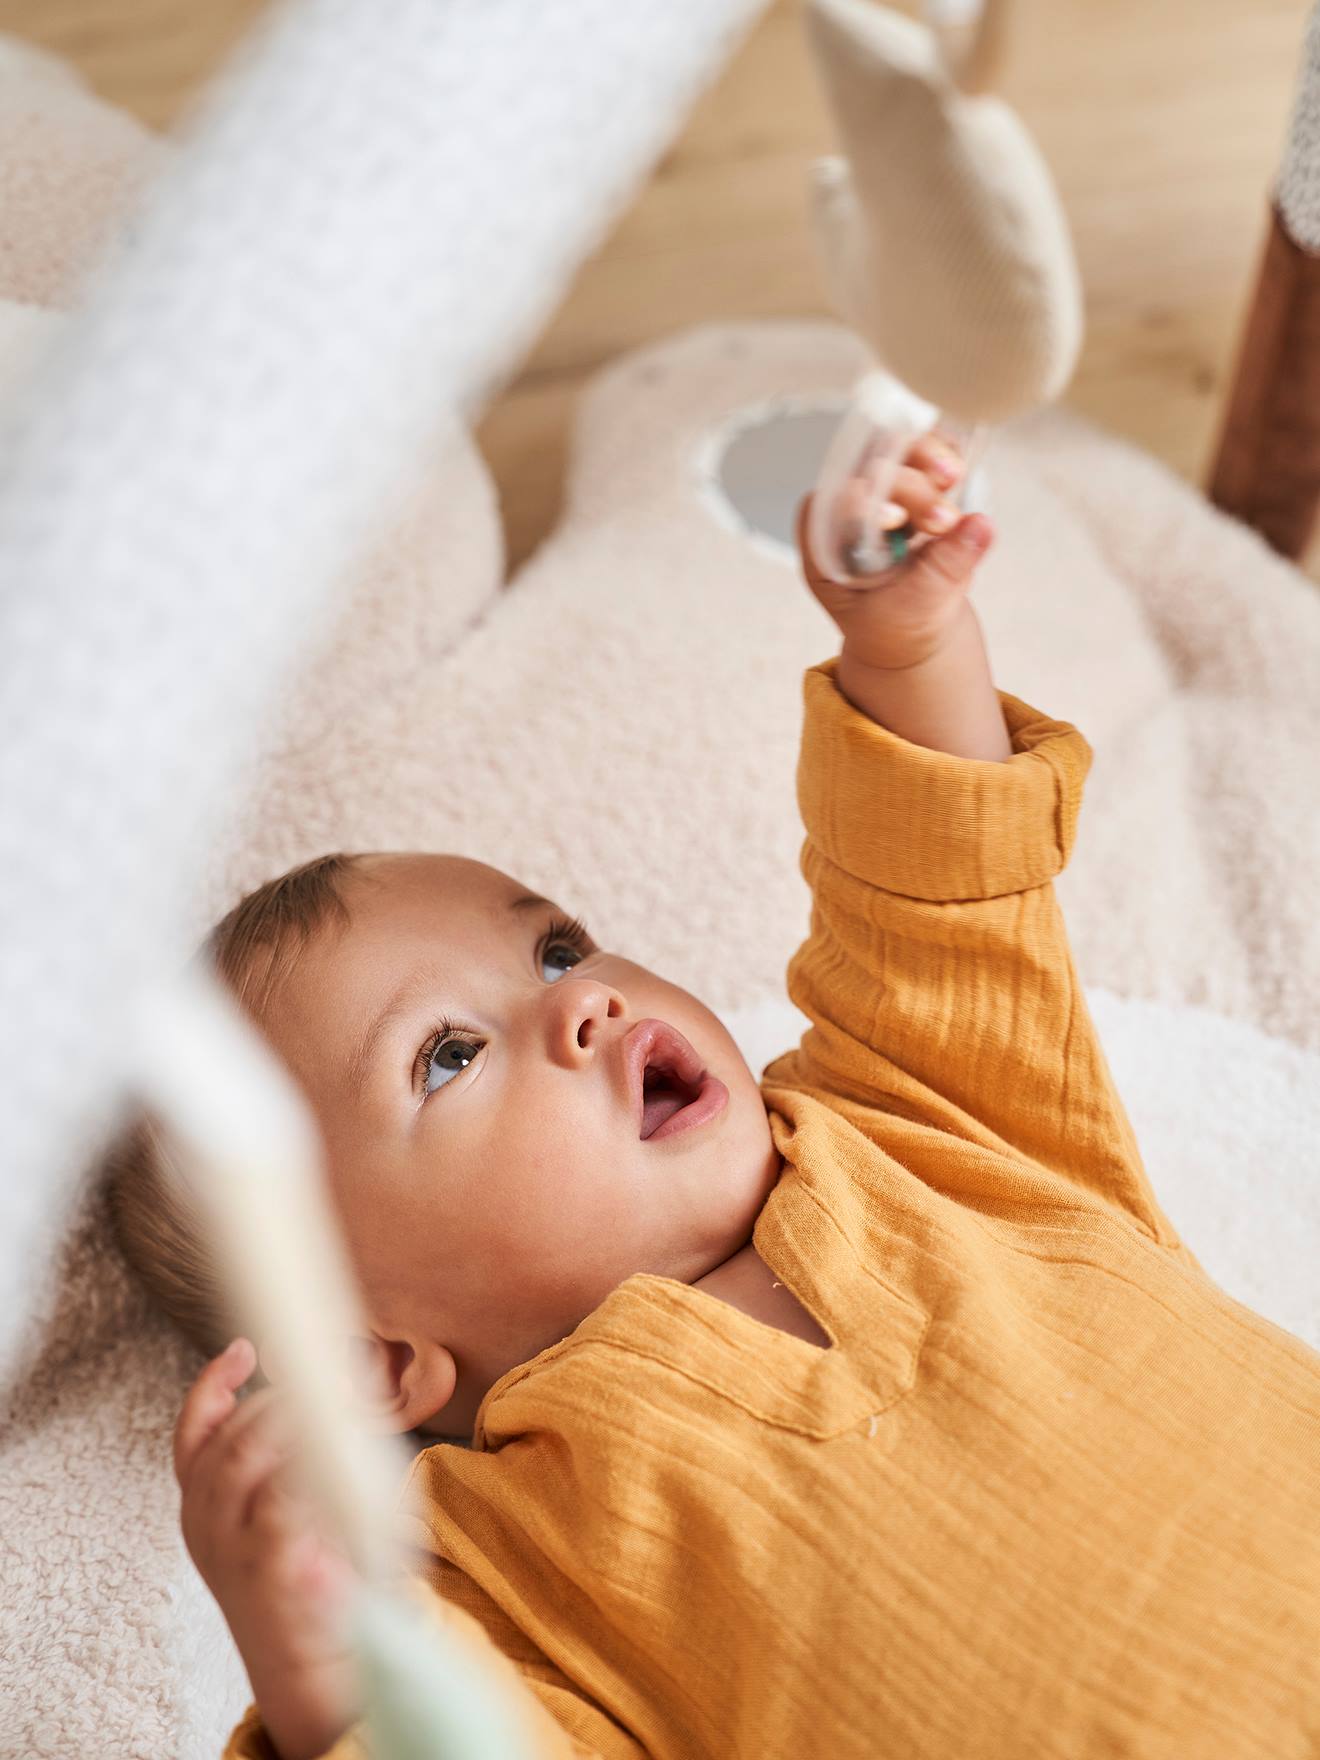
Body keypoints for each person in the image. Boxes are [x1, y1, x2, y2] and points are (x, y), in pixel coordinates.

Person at [110, 435, 1320, 1759]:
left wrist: (906, 646)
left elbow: (937, 899)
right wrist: (320, 1671)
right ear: (376, 1364)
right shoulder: (504, 1573)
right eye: (449, 1055)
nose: (584, 1000)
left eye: (557, 948)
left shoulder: (923, 1118)